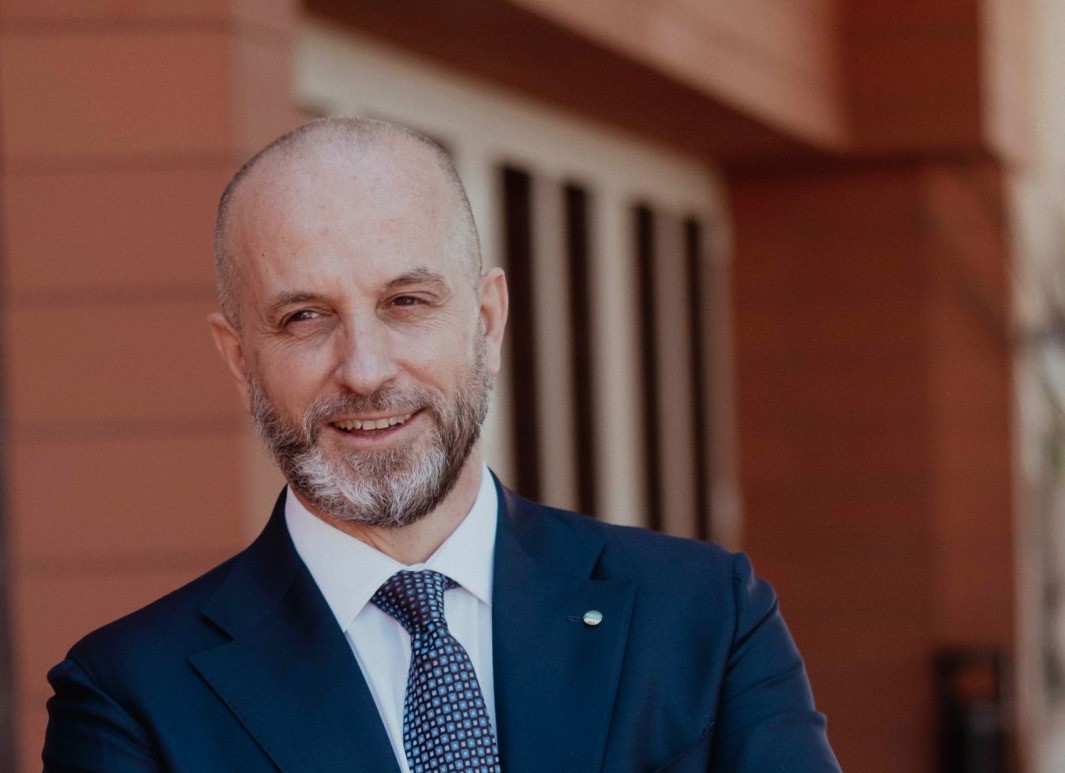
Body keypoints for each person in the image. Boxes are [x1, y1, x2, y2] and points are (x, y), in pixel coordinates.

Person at [43, 117, 842, 772]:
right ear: (239, 359)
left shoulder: (706, 617)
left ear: (486, 322)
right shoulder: (130, 698)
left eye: (406, 301)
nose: (364, 369)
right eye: (304, 317)